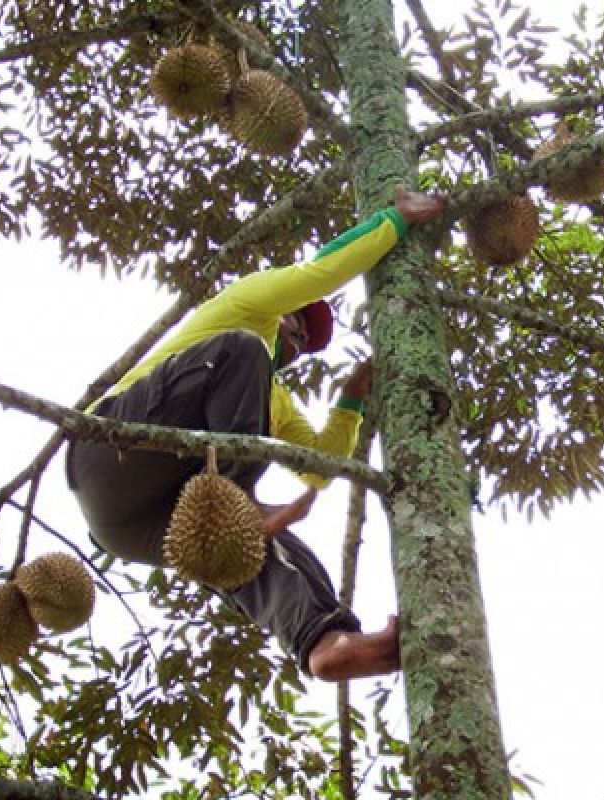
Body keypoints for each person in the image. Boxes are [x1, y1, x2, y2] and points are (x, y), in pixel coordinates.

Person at [65, 186, 445, 681]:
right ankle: (239, 500)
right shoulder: (245, 310)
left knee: (269, 549)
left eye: (308, 340)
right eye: (299, 319)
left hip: (143, 528)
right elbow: (321, 272)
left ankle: (327, 642)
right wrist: (394, 220)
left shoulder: (271, 400)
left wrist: (352, 396)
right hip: (108, 451)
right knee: (240, 351)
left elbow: (319, 465)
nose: (300, 335)